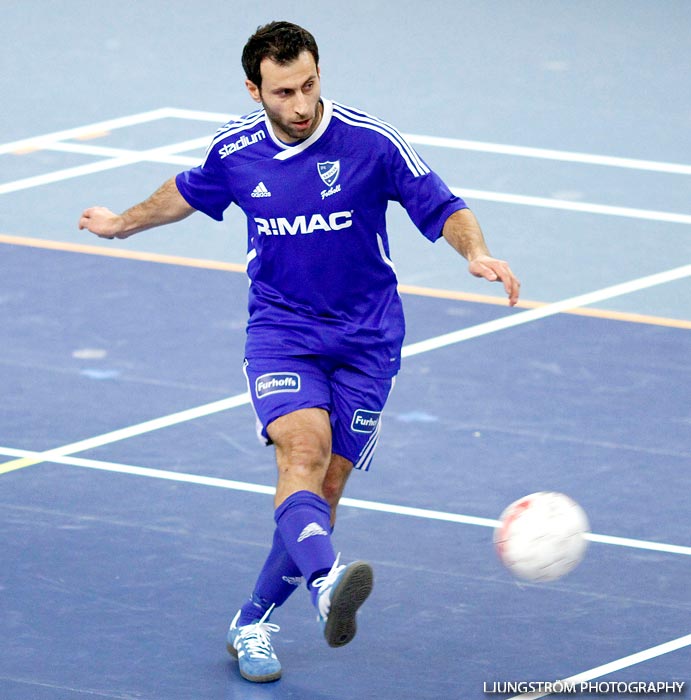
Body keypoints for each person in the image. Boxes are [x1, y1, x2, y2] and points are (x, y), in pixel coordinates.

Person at [78, 21, 520, 684]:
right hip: (283, 331)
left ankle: (251, 621)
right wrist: (120, 223)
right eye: (284, 91)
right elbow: (185, 191)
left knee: (329, 485)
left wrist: (476, 251)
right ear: (254, 90)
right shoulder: (237, 151)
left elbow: (441, 203)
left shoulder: (369, 142)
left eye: (309, 85)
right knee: (302, 453)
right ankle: (323, 584)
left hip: (369, 339)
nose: (301, 103)